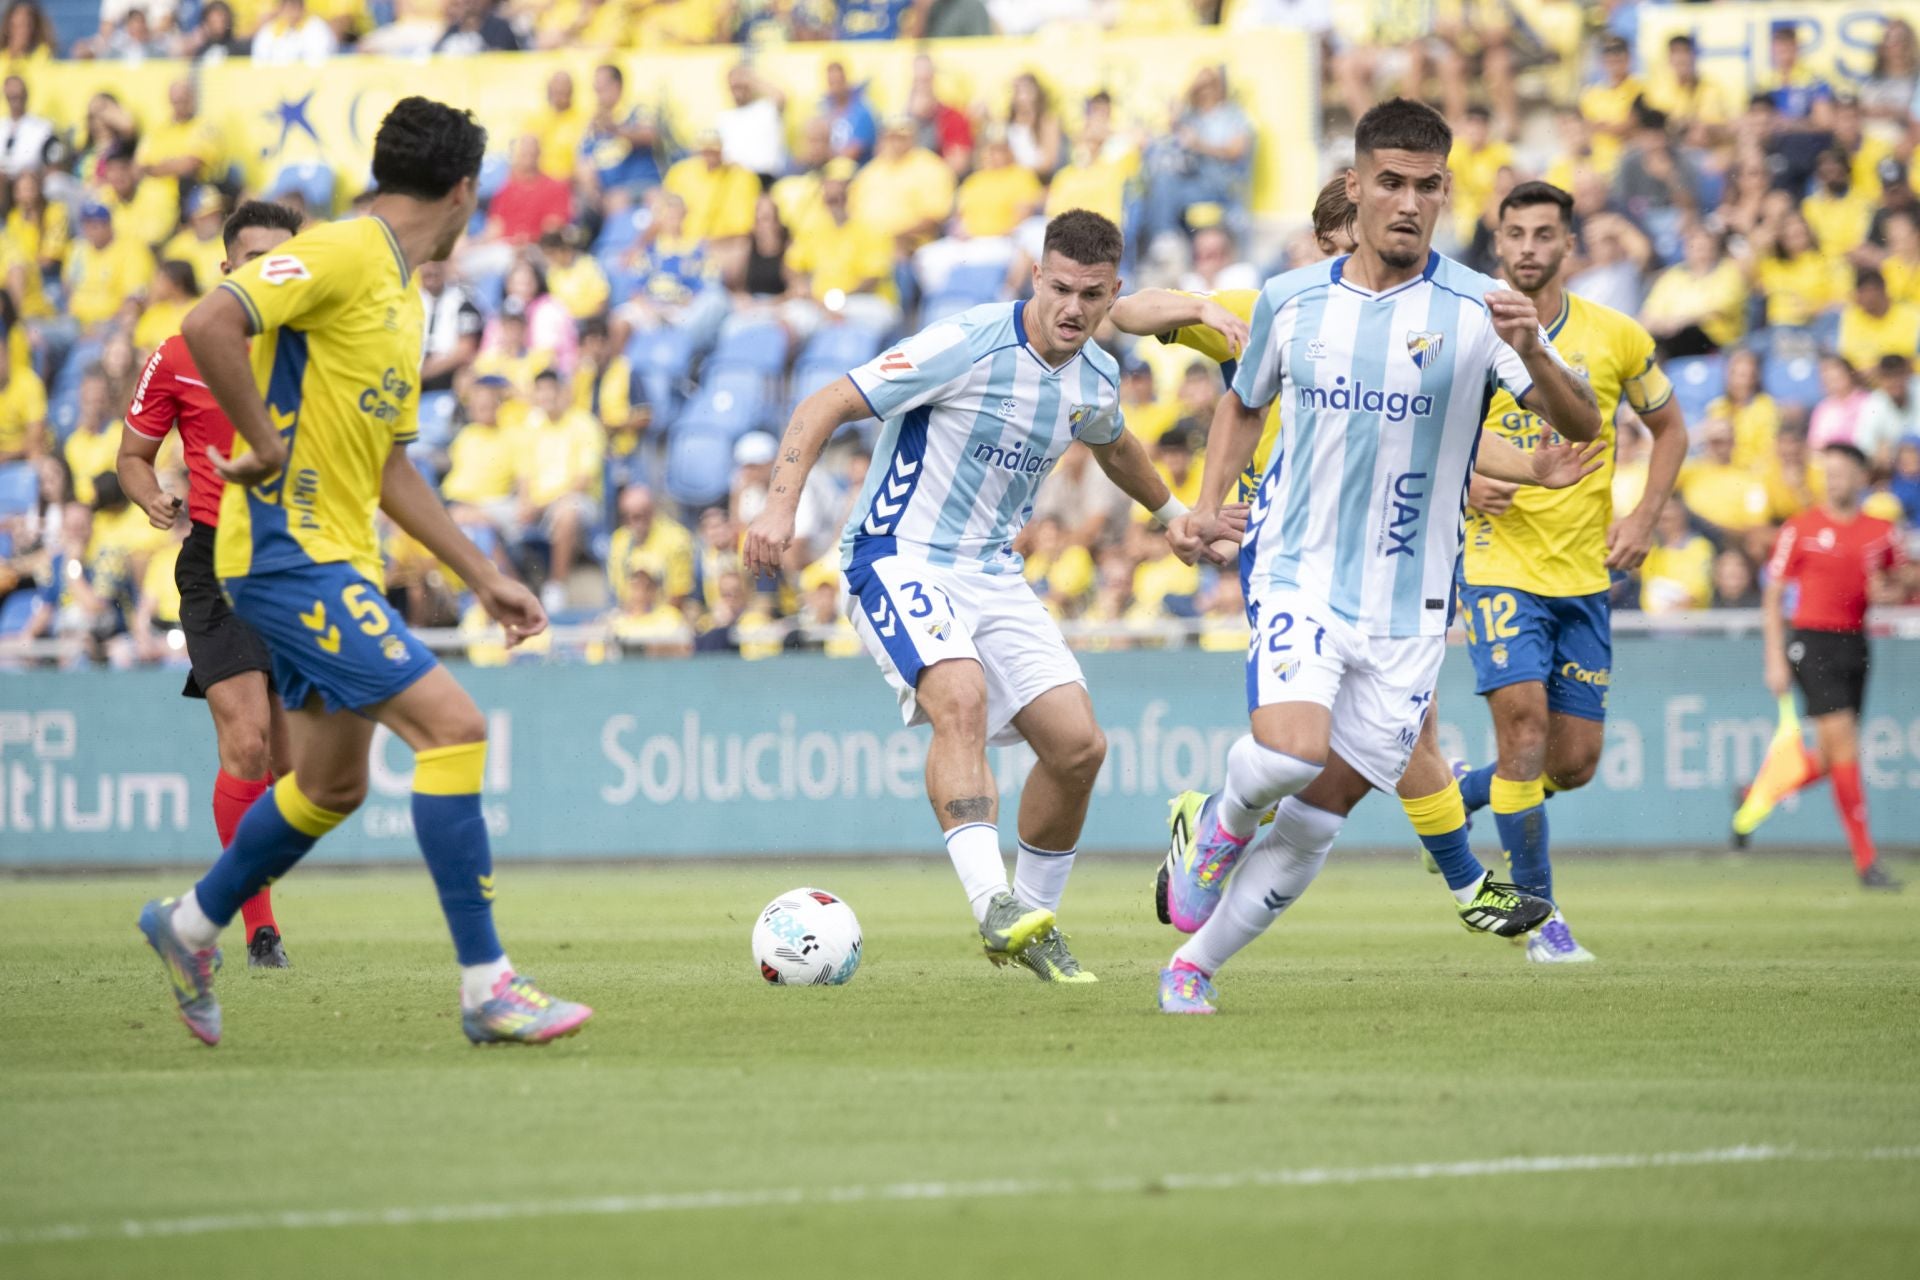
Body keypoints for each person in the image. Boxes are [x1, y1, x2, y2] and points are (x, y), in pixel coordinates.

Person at [135, 98, 592, 1047]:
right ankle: (487, 987)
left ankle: (186, 926)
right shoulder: (343, 251)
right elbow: (211, 318)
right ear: (463, 190)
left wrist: (479, 575)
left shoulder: (403, 293)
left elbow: (389, 466)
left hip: (338, 557)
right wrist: (260, 441)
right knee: (456, 729)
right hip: (284, 556)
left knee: (331, 787)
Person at [1154, 99, 1602, 1014]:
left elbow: (1583, 422)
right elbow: (1244, 401)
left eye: (1426, 186)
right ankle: (1217, 820)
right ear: (1354, 186)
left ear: (1445, 193)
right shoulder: (1292, 298)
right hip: (1299, 567)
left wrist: (1536, 354)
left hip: (1410, 605)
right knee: (1287, 755)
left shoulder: (1483, 307)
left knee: (1322, 814)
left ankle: (1193, 965)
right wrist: (1205, 506)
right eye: (1389, 182)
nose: (1407, 202)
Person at [743, 210, 1199, 984]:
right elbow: (825, 403)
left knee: (1079, 748)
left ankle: (1028, 921)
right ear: (1036, 276)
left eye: (1091, 295)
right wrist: (779, 505)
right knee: (960, 696)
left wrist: (1176, 517)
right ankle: (992, 902)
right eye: (1059, 287)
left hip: (991, 572)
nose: (1072, 308)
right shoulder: (965, 344)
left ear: (1113, 292)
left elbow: (1114, 442)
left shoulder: (1093, 376)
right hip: (897, 556)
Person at [1444, 181, 1691, 962]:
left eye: (1542, 234)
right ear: (1498, 241)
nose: (1526, 248)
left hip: (1583, 574)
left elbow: (1670, 428)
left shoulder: (1616, 336)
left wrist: (1645, 516)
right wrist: (1465, 476)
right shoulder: (1464, 329)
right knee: (1522, 731)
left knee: (1572, 763)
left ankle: (1452, 801)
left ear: (1567, 246)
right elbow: (1427, 429)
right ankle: (1541, 919)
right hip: (1496, 562)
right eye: (1513, 233)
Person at [118, 200, 305, 969]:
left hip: (299, 562)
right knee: (248, 743)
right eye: (255, 257)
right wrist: (150, 494)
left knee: (298, 772)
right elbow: (131, 455)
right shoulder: (178, 351)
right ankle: (259, 930)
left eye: (282, 259)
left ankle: (199, 914)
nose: (269, 272)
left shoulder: (318, 343)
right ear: (228, 266)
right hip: (217, 566)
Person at [1735, 444, 1906, 891]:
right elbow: (1773, 595)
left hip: (1857, 643)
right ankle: (1867, 861)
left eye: (1842, 472)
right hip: (1812, 643)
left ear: (1861, 477)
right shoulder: (1801, 527)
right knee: (1846, 747)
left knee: (1833, 758)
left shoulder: (1880, 532)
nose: (1833, 480)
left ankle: (1759, 795)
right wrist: (1773, 656)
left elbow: (1902, 577)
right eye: (1827, 472)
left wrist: (1890, 589)